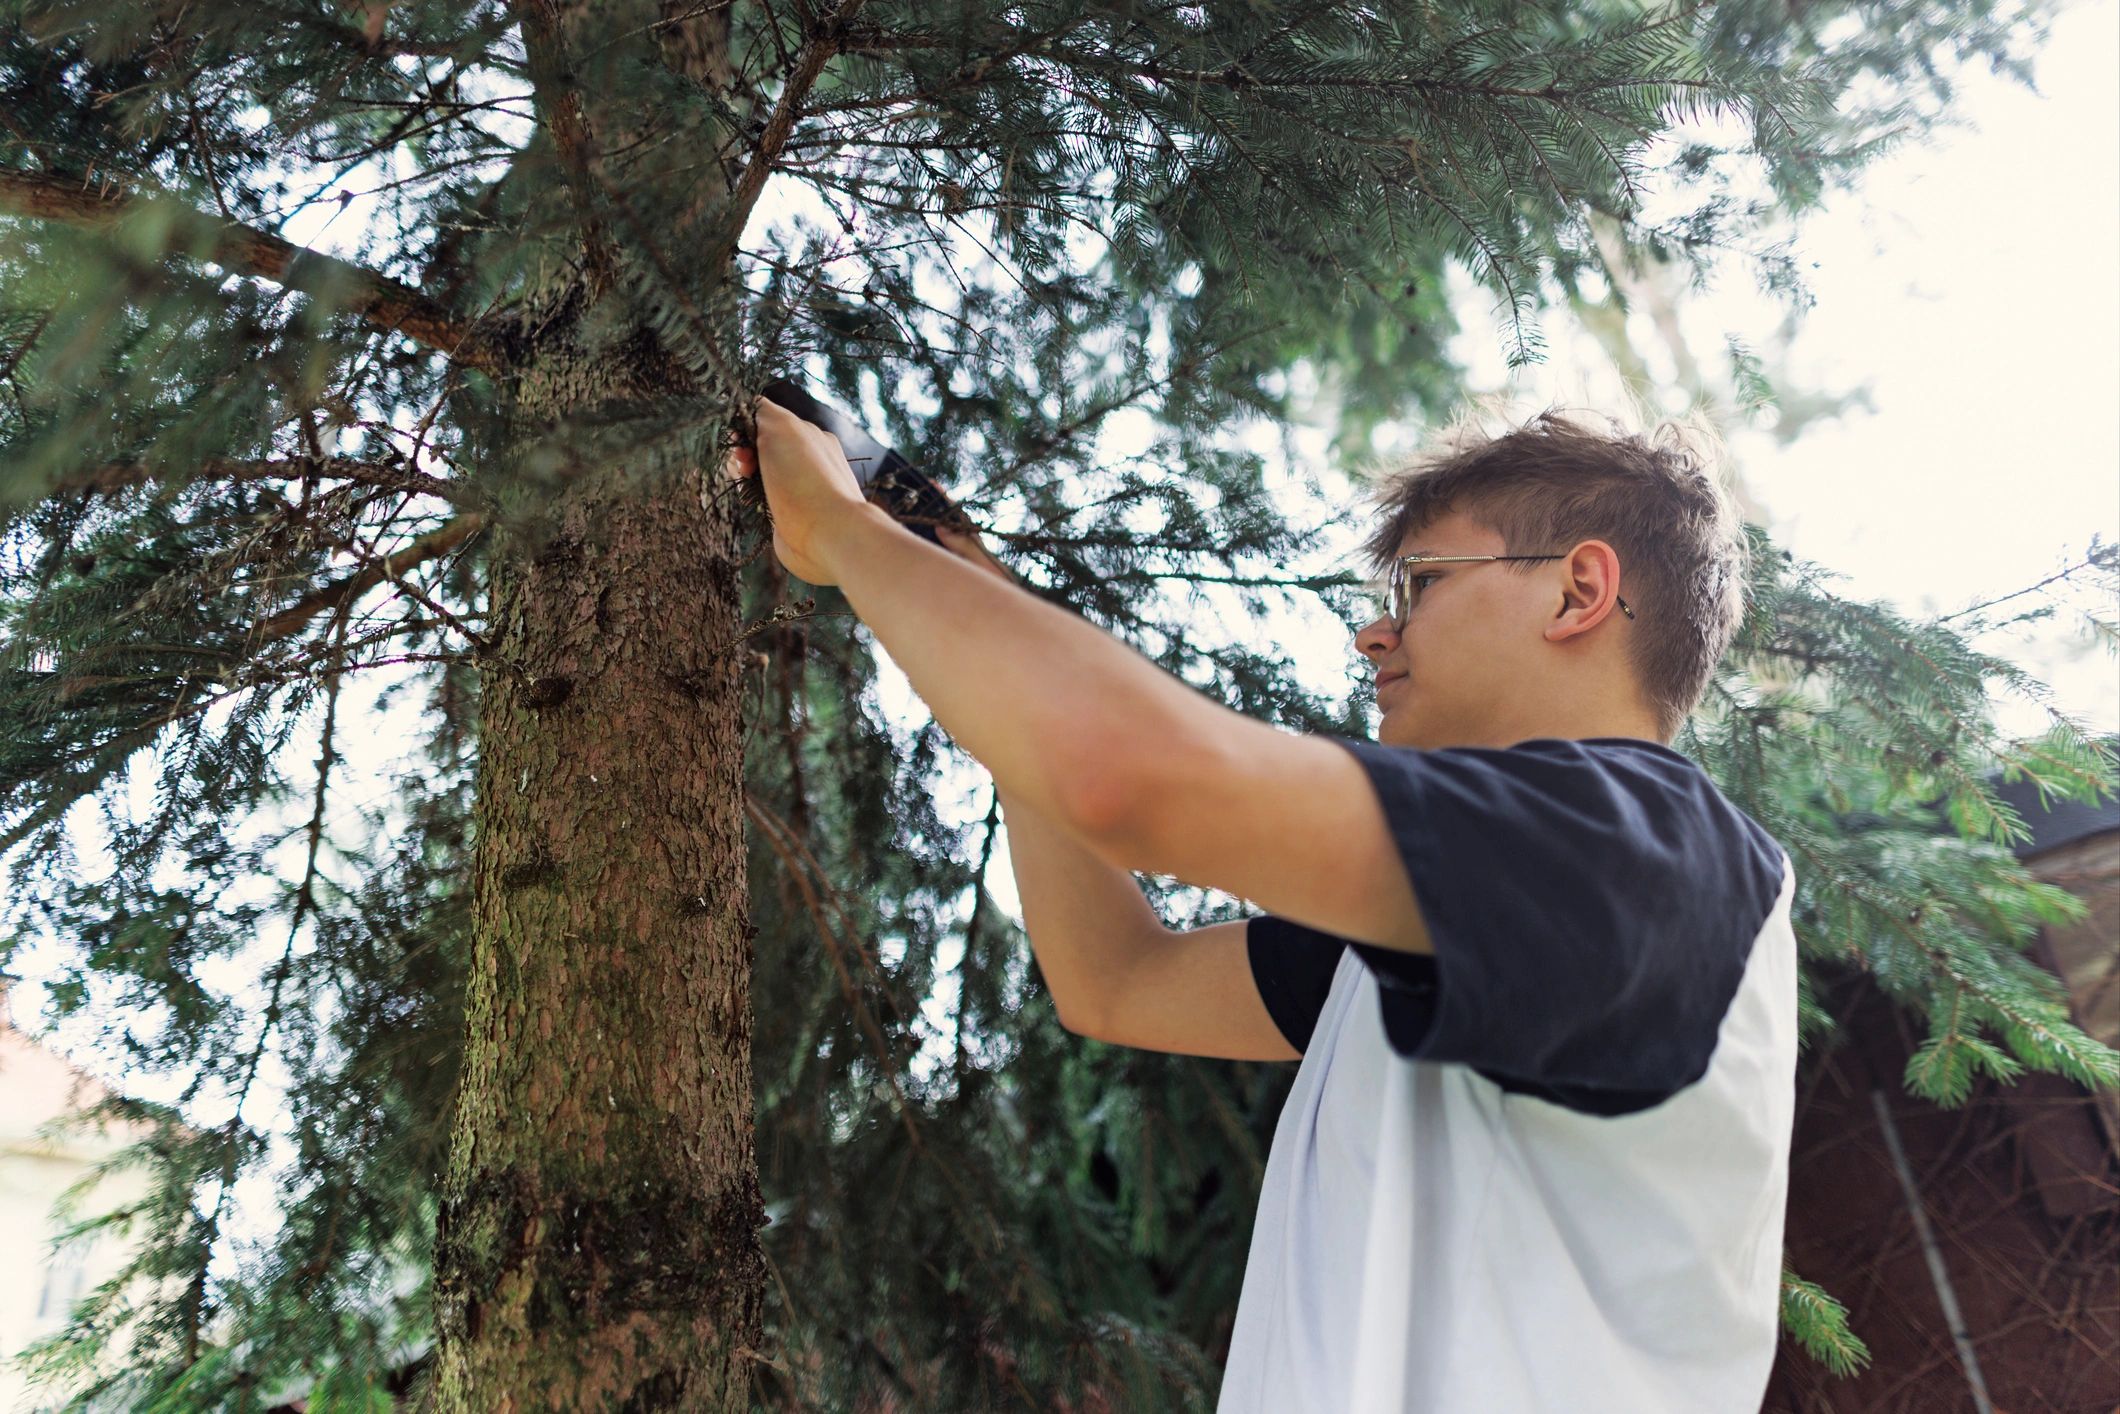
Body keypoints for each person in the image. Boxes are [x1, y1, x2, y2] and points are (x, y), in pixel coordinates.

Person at [729, 395, 1796, 1413]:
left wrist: (836, 532)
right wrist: (968, 584)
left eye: (1418, 584)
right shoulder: (1465, 925)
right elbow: (1116, 977)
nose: (1374, 637)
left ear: (1576, 591)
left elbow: (1120, 779)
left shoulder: (1638, 853)